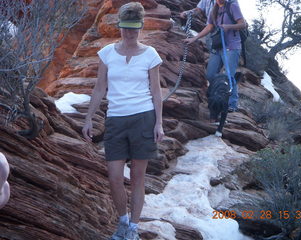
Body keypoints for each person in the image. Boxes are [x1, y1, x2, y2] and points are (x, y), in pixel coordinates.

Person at [82, 2, 164, 240]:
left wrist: (159, 123)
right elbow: (99, 88)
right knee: (115, 176)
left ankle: (134, 230)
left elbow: (157, 92)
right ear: (119, 26)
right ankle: (122, 222)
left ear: (141, 27)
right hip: (115, 119)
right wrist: (88, 118)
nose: (129, 33)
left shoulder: (151, 55)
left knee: (138, 177)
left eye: (134, 29)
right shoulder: (106, 53)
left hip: (143, 118)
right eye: (125, 28)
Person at [184, 0, 246, 113]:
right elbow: (209, 27)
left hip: (231, 47)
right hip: (217, 47)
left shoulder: (232, 5)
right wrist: (194, 38)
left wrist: (229, 26)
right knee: (210, 74)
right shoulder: (214, 9)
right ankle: (216, 98)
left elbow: (243, 24)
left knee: (229, 76)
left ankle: (232, 104)